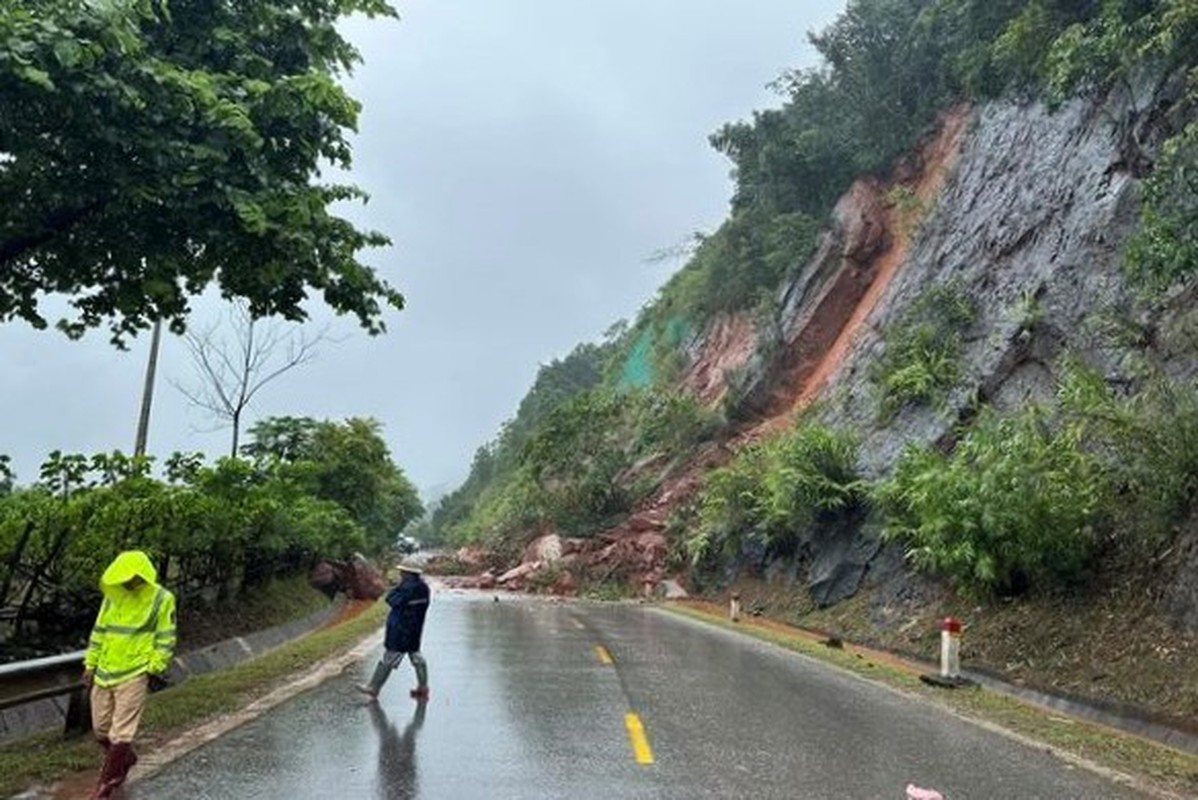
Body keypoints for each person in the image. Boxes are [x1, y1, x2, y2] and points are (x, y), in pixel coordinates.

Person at [83, 550, 177, 800]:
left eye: (131, 577)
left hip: (134, 672)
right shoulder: (113, 596)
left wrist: (154, 666)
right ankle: (127, 757)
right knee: (101, 729)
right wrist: (90, 665)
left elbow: (165, 637)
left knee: (121, 733)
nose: (127, 582)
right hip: (105, 670)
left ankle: (105, 786)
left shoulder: (161, 598)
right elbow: (100, 631)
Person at [357, 563, 430, 701]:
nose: (400, 574)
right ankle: (423, 689)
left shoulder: (407, 588)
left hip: (401, 629)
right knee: (416, 657)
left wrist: (395, 590)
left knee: (389, 658)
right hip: (415, 629)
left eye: (402, 572)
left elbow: (391, 599)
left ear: (409, 574)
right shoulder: (423, 588)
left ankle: (373, 688)